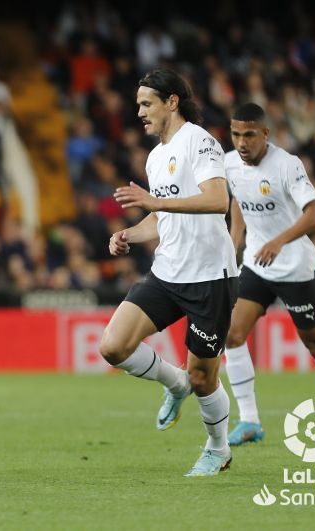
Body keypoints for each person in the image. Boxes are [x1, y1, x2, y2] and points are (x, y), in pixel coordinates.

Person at [104, 68, 238, 477]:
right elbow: (161, 218)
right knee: (113, 347)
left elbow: (217, 200)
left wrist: (154, 203)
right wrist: (130, 232)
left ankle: (218, 449)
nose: (140, 112)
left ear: (172, 102)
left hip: (209, 276)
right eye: (138, 105)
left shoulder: (199, 141)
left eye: (147, 104)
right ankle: (172, 383)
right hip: (167, 272)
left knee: (204, 378)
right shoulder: (156, 156)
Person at [223, 103, 315, 446]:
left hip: (294, 267)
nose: (241, 143)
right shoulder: (230, 164)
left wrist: (278, 240)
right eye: (235, 135)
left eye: (248, 135)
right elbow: (238, 201)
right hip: (258, 264)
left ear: (265, 134)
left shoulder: (287, 165)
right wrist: (233, 243)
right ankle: (249, 421)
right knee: (231, 333)